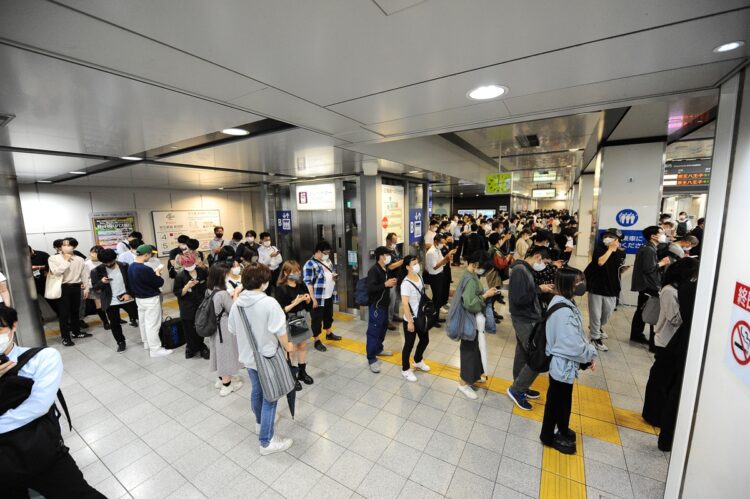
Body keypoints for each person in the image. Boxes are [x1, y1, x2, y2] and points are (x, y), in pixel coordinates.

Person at [0, 306, 106, 499]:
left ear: (14, 326)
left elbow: (37, 407)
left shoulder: (41, 358)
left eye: (0, 327)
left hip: (41, 453)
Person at [228, 263, 295, 455]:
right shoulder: (269, 303)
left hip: (249, 358)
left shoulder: (237, 304)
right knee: (270, 397)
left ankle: (260, 423)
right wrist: (288, 346)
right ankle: (266, 441)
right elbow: (280, 330)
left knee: (257, 390)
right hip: (268, 357)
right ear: (264, 283)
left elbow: (232, 329)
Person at [540, 268, 597, 455]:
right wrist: (589, 355)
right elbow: (571, 344)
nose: (582, 285)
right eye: (577, 282)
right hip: (561, 364)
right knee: (557, 402)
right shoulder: (563, 311)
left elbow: (577, 335)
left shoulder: (566, 302)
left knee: (562, 401)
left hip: (567, 364)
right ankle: (548, 436)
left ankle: (562, 429)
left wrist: (585, 360)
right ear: (566, 284)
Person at [641, 258, 699, 427]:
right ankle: (654, 415)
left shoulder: (679, 289)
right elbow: (674, 318)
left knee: (666, 380)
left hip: (674, 341)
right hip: (666, 340)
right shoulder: (669, 290)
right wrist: (687, 307)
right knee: (660, 379)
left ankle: (661, 414)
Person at [506, 246, 553, 410]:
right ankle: (517, 389)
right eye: (545, 262)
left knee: (523, 353)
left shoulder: (524, 269)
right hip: (524, 318)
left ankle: (520, 385)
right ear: (538, 256)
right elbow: (519, 299)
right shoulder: (520, 270)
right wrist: (539, 289)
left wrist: (539, 289)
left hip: (527, 317)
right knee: (536, 356)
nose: (544, 266)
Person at [456, 250, 498, 399]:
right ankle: (463, 383)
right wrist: (486, 295)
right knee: (469, 352)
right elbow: (470, 303)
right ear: (476, 264)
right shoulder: (470, 279)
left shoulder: (470, 274)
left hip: (472, 321)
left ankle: (472, 376)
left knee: (474, 351)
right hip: (470, 322)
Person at [584, 230, 627, 351]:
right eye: (606, 236)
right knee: (595, 314)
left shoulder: (621, 253)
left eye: (612, 237)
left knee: (607, 312)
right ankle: (595, 337)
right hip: (596, 286)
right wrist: (610, 250)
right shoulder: (599, 249)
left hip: (612, 287)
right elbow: (600, 262)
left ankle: (597, 327)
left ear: (618, 240)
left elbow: (617, 267)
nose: (608, 238)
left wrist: (622, 270)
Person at [90, 249, 139, 352]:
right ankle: (120, 342)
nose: (108, 264)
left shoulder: (124, 266)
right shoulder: (96, 271)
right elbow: (95, 288)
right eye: (105, 263)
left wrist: (129, 293)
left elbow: (131, 282)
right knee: (114, 323)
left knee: (138, 316)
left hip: (127, 298)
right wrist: (102, 282)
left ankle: (150, 337)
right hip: (110, 301)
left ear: (115, 258)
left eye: (110, 262)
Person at [205, 263, 243, 396]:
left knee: (217, 352)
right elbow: (233, 309)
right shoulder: (222, 293)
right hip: (224, 327)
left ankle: (220, 379)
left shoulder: (210, 290)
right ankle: (227, 385)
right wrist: (237, 293)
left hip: (214, 327)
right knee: (226, 354)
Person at [128, 244, 172, 357]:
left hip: (139, 299)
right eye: (150, 255)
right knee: (153, 325)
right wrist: (157, 274)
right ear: (146, 254)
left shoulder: (131, 266)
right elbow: (159, 282)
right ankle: (155, 349)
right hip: (150, 299)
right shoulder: (144, 268)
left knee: (143, 323)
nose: (150, 257)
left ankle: (147, 344)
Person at [630, 226, 671, 346]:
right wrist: (662, 263)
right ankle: (637, 335)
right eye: (661, 233)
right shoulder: (649, 249)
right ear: (653, 236)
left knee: (641, 310)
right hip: (647, 285)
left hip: (646, 284)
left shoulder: (649, 247)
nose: (664, 234)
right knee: (644, 310)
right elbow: (649, 269)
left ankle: (637, 334)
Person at [276, 261, 314, 390]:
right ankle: (291, 376)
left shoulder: (301, 284)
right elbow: (281, 310)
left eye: (298, 271)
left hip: (301, 317)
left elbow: (308, 307)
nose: (298, 274)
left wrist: (308, 300)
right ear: (286, 273)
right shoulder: (281, 288)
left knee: (302, 345)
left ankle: (302, 372)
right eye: (294, 272)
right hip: (289, 319)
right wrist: (295, 302)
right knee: (291, 350)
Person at [47, 238, 91, 346]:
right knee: (64, 314)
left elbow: (84, 274)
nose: (67, 247)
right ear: (60, 247)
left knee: (75, 311)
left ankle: (76, 332)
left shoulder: (80, 259)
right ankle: (65, 337)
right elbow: (56, 272)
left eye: (70, 245)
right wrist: (66, 260)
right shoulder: (53, 258)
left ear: (74, 247)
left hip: (76, 286)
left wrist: (86, 288)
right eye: (65, 245)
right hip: (63, 287)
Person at [303, 241, 341, 352]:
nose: (327, 254)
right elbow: (308, 283)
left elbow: (332, 273)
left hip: (329, 294)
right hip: (318, 297)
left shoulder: (327, 261)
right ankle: (316, 340)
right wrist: (313, 299)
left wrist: (334, 277)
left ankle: (328, 333)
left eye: (328, 252)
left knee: (329, 316)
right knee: (316, 319)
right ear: (318, 251)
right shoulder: (310, 264)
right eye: (325, 252)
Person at [365, 247, 399, 373]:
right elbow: (370, 288)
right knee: (373, 331)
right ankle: (371, 358)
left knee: (383, 328)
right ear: (380, 256)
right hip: (377, 307)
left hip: (385, 306)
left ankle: (379, 349)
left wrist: (391, 282)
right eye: (387, 255)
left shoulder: (384, 269)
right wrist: (385, 284)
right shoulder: (373, 270)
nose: (389, 257)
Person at [400, 255, 431, 382]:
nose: (416, 265)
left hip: (421, 317)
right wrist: (410, 322)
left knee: (425, 340)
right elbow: (405, 304)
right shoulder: (405, 283)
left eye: (417, 263)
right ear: (407, 267)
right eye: (414, 263)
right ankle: (405, 369)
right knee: (409, 344)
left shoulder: (419, 276)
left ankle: (418, 360)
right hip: (411, 319)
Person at [173, 252, 210, 359]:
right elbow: (178, 293)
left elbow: (209, 283)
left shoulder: (202, 271)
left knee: (200, 325)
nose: (189, 267)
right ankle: (190, 347)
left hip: (201, 304)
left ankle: (201, 346)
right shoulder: (180, 276)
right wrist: (187, 286)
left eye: (191, 264)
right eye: (187, 265)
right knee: (189, 328)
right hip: (187, 306)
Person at [424, 234, 456, 323]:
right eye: (441, 243)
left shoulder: (438, 250)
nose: (443, 244)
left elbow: (443, 261)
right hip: (434, 277)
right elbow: (435, 267)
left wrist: (448, 257)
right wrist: (445, 259)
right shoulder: (431, 252)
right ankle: (433, 319)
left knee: (439, 298)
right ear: (436, 242)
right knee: (436, 298)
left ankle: (436, 317)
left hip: (440, 275)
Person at [83, 245, 110, 330]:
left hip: (106, 285)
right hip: (94, 287)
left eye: (96, 252)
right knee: (99, 304)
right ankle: (105, 322)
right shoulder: (86, 264)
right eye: (93, 252)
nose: (94, 254)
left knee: (110, 303)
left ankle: (116, 319)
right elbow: (85, 277)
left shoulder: (104, 262)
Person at [385, 232, 405, 330]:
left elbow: (399, 259)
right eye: (394, 241)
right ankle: (388, 321)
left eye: (396, 241)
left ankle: (395, 315)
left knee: (397, 299)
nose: (395, 243)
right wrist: (402, 261)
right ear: (388, 241)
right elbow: (390, 266)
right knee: (391, 301)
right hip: (390, 279)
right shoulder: (385, 252)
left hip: (398, 278)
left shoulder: (395, 249)